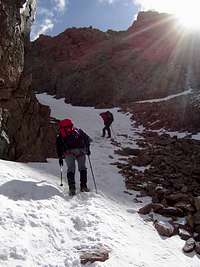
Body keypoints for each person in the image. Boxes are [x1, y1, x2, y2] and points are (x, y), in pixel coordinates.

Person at [56, 118, 92, 196]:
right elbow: (87, 139)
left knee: (71, 169)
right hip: (80, 151)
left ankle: (72, 189)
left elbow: (58, 146)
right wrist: (88, 150)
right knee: (82, 168)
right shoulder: (78, 130)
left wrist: (60, 157)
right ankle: (83, 187)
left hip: (68, 153)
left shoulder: (60, 134)